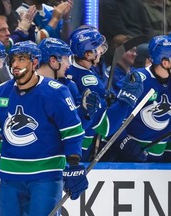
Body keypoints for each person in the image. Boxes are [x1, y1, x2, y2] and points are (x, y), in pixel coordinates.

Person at [0, 40, 88, 215]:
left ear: (35, 62)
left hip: (46, 177)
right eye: (13, 59)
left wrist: (74, 165)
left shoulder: (55, 92)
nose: (15, 64)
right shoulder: (0, 93)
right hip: (10, 177)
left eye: (22, 59)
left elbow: (72, 132)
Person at [65, 26, 144, 161]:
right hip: (79, 151)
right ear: (88, 54)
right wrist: (126, 99)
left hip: (65, 146)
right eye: (98, 47)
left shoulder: (70, 67)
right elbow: (106, 127)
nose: (101, 50)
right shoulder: (89, 82)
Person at [113, 35, 171, 162]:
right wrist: (124, 142)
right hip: (133, 156)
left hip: (161, 155)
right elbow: (116, 116)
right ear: (165, 62)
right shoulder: (138, 79)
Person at [37, 37, 101, 130]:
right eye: (66, 59)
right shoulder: (24, 85)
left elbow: (78, 128)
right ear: (53, 61)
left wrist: (85, 114)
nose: (68, 65)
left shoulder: (69, 86)